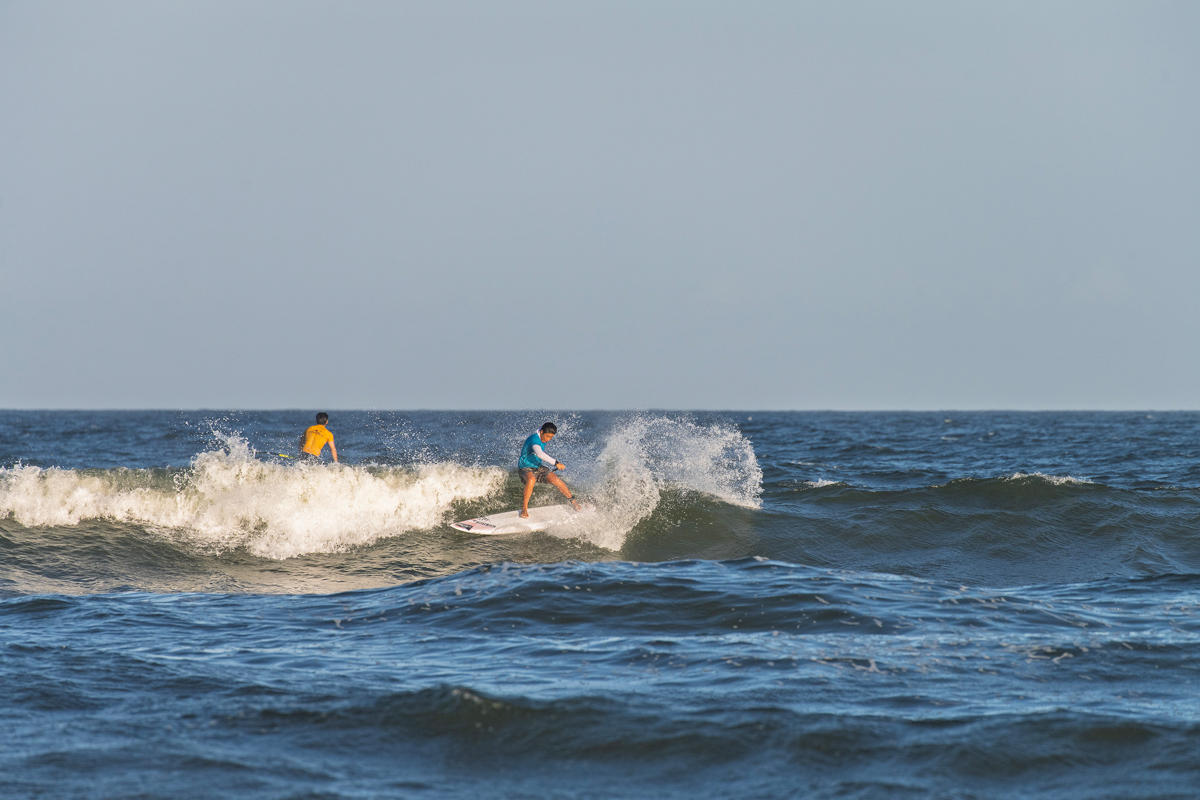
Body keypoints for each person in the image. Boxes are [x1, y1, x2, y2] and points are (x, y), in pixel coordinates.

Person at [518, 422, 580, 517]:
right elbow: (539, 454)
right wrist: (556, 463)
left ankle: (574, 502)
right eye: (547, 436)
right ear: (541, 432)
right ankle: (524, 509)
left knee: (555, 479)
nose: (548, 439)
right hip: (524, 467)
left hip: (537, 467)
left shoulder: (542, 435)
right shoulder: (534, 440)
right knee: (531, 479)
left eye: (551, 437)